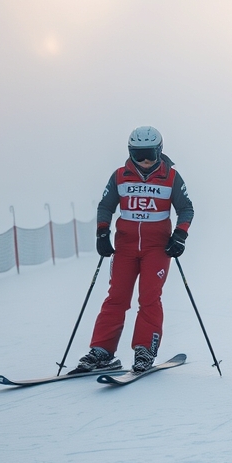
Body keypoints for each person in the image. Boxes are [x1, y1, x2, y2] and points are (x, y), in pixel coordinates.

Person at [71, 126, 194, 374]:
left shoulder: (171, 177)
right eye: (138, 155)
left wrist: (179, 235)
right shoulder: (120, 176)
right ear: (130, 153)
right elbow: (106, 206)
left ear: (160, 151)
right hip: (125, 247)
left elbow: (186, 209)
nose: (145, 161)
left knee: (149, 298)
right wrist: (102, 232)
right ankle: (102, 352)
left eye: (150, 154)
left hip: (157, 248)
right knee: (116, 297)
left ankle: (144, 350)